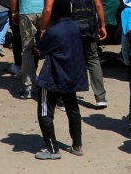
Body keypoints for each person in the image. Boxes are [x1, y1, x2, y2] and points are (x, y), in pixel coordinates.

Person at [41, 0, 108, 108]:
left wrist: (43, 29)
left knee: (66, 60)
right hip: (89, 26)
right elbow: (98, 3)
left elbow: (48, 9)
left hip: (67, 29)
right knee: (92, 58)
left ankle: (65, 99)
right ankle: (100, 97)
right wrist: (102, 25)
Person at [33, 8, 87, 160]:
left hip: (53, 76)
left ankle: (52, 150)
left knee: (45, 112)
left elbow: (39, 50)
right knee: (73, 108)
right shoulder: (75, 27)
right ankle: (77, 146)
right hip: (71, 75)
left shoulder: (53, 31)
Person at [11, 0, 58, 100]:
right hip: (46, 10)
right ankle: (49, 84)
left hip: (26, 10)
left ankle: (29, 87)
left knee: (27, 48)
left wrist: (14, 12)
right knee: (51, 47)